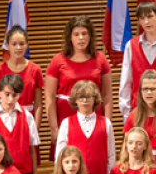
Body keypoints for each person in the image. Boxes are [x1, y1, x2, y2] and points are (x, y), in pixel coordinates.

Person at [45, 15, 113, 160]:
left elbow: (106, 95)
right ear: (70, 37)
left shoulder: (100, 58)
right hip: (66, 114)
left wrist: (107, 124)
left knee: (93, 156)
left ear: (90, 36)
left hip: (94, 114)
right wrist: (54, 128)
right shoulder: (58, 60)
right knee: (67, 160)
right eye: (76, 34)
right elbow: (49, 97)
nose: (81, 38)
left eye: (84, 33)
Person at [54, 80, 115, 174]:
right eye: (81, 98)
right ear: (75, 100)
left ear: (95, 100)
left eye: (88, 97)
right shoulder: (66, 123)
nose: (85, 101)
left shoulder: (106, 123)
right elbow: (59, 157)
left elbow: (111, 157)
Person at [0, 25, 44, 128]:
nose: (18, 48)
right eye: (14, 44)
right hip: (4, 120)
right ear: (7, 45)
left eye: (21, 44)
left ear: (27, 45)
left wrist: (35, 130)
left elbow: (38, 104)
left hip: (27, 119)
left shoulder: (35, 69)